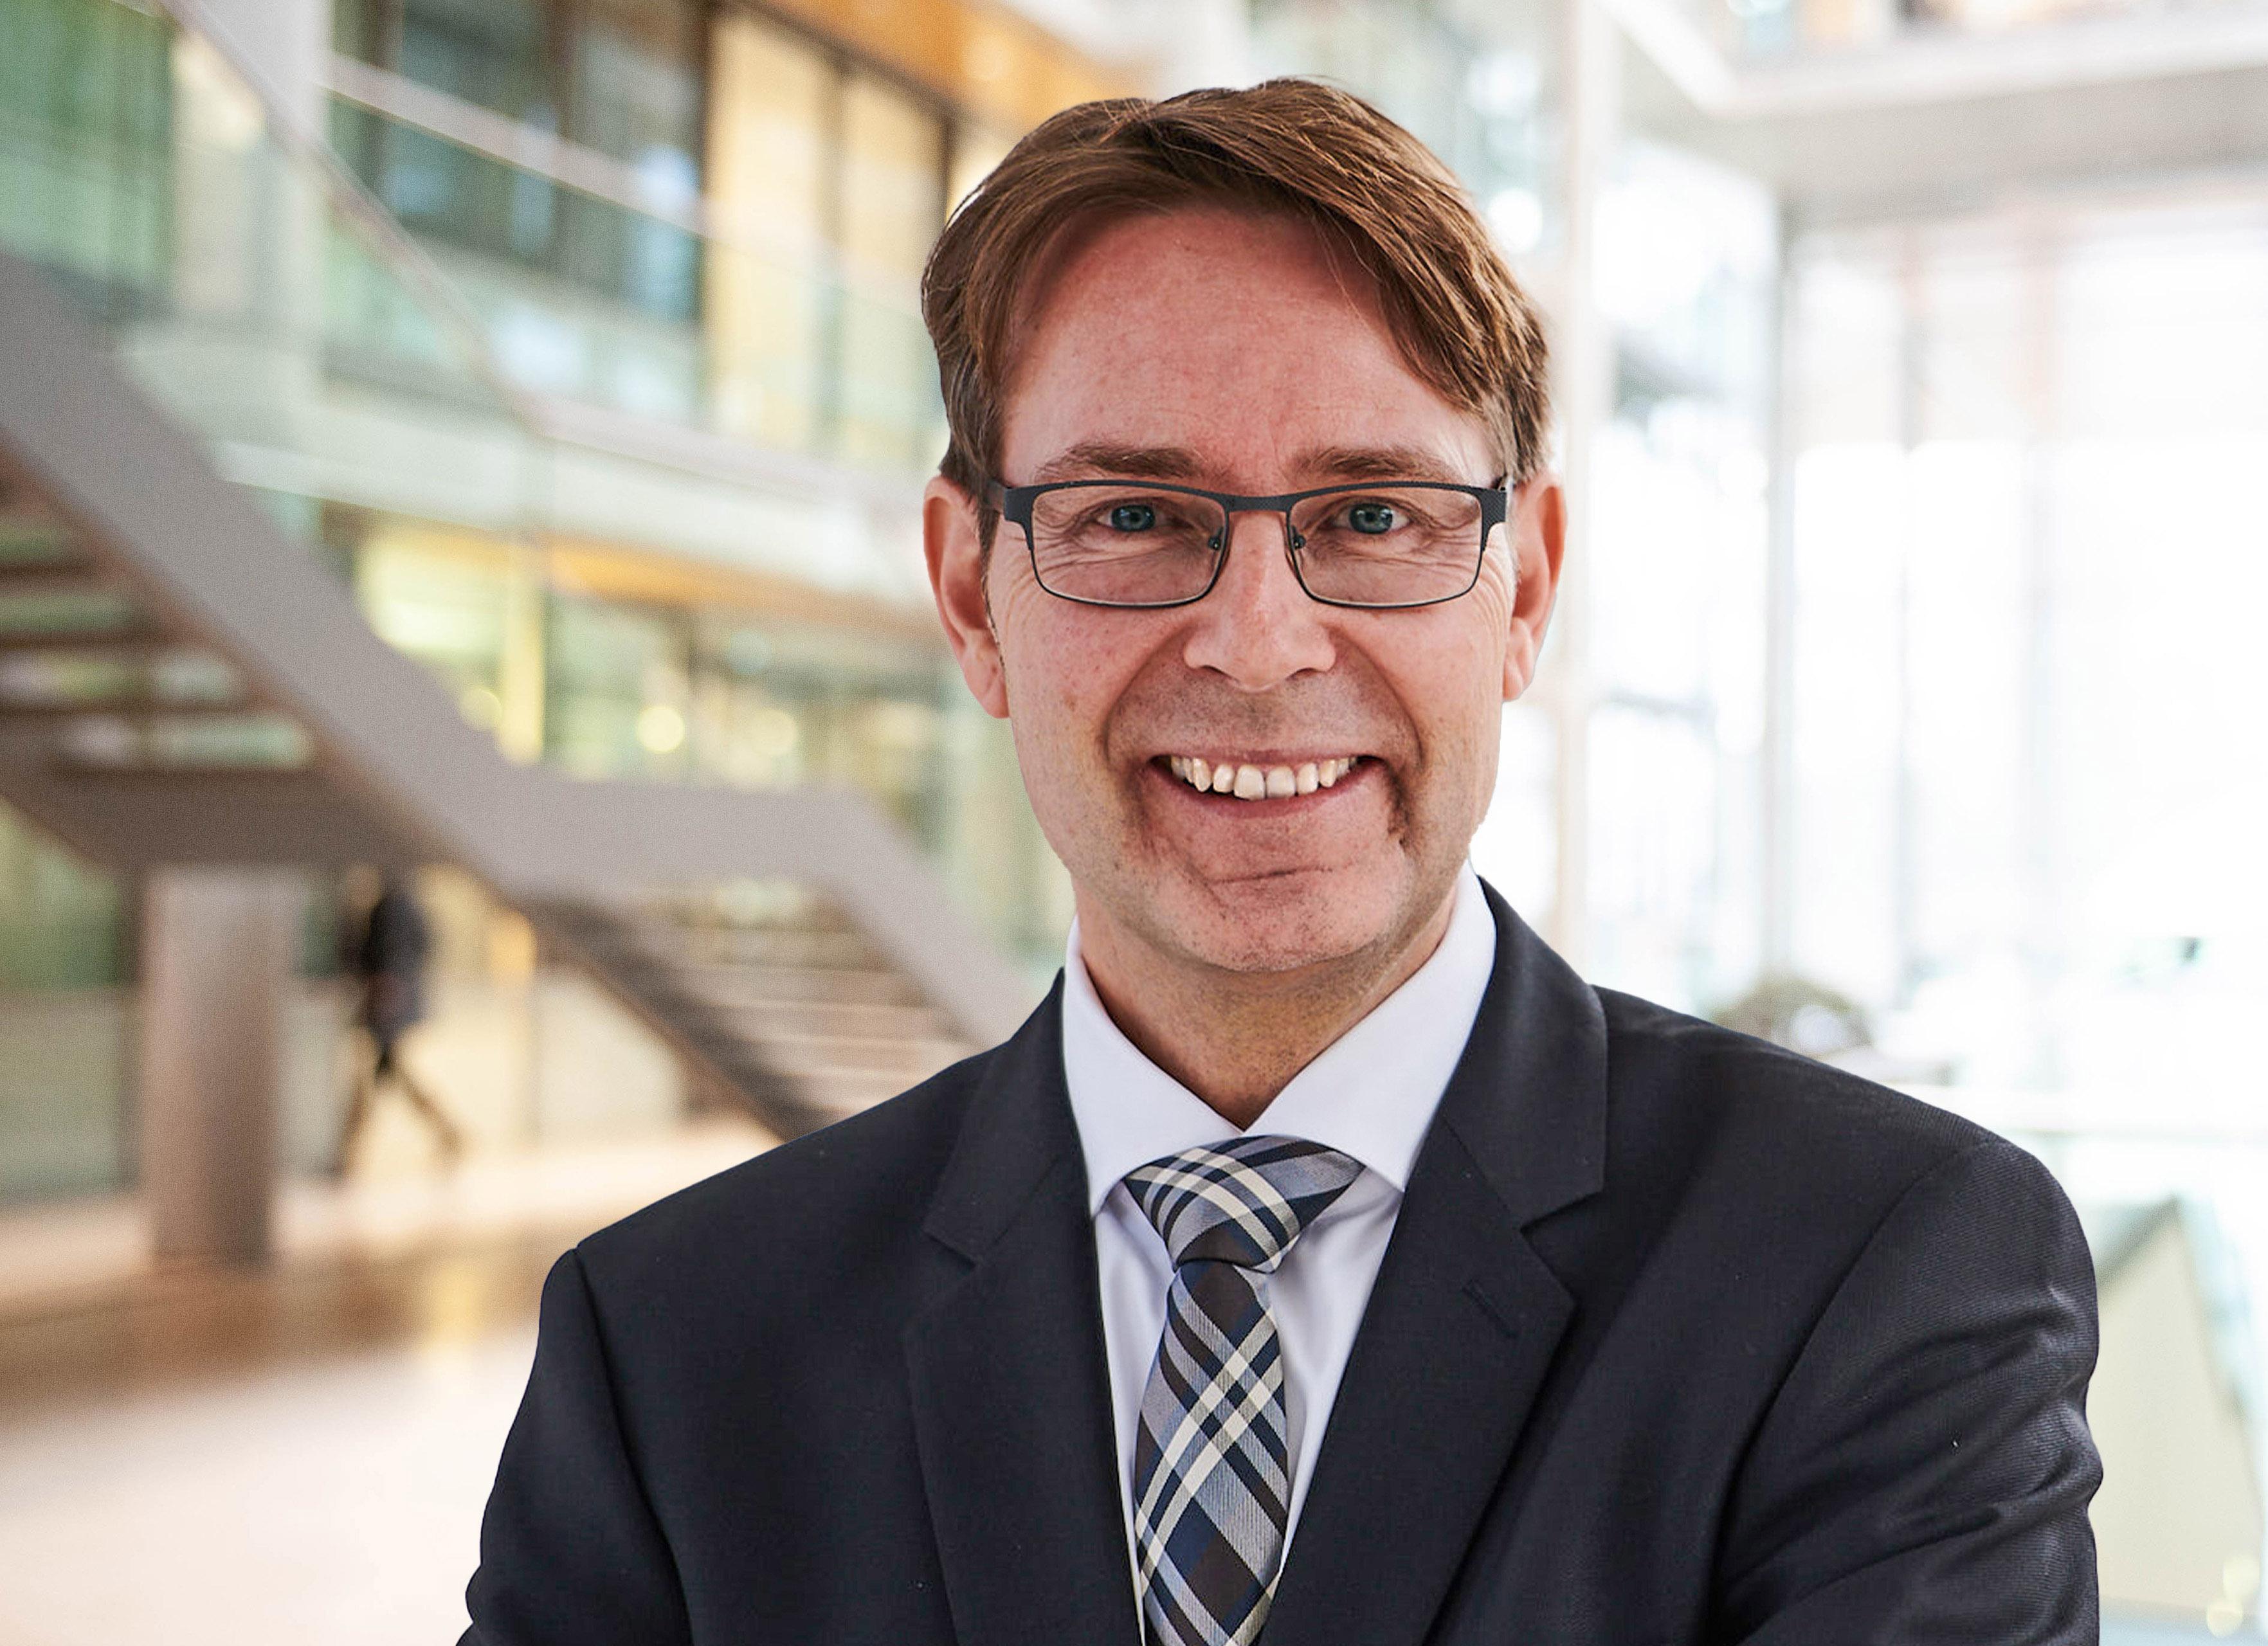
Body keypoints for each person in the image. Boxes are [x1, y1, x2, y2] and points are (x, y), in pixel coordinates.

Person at [463, 81, 2099, 1645]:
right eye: (1132, 514)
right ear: (971, 593)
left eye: (1374, 517)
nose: (1258, 644)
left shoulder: (1882, 1271)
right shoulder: (672, 1346)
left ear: (1524, 589)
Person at [338, 869, 462, 1172]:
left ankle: (350, 1152)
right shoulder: (404, 906)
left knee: (379, 1076)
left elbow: (393, 959)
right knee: (387, 1075)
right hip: (391, 1004)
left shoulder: (393, 908)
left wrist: (386, 997)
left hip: (388, 1007)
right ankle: (447, 1133)